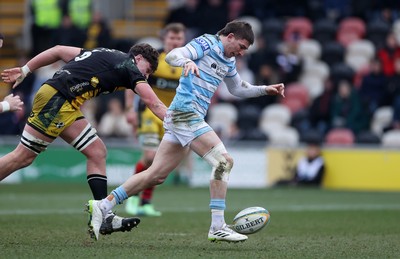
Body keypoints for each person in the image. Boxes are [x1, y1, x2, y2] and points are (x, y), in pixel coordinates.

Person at [86, 20, 285, 242]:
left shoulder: (228, 60)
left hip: (186, 117)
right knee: (223, 162)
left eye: (245, 49)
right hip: (184, 114)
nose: (242, 52)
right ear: (229, 37)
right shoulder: (207, 43)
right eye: (242, 45)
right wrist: (187, 61)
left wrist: (264, 90)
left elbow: (237, 88)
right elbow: (173, 56)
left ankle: (103, 206)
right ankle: (217, 226)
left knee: (156, 175)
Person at [0, 43, 167, 237]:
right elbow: (154, 103)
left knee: (97, 152)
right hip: (57, 102)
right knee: (22, 157)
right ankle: (105, 214)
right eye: (146, 71)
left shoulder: (106, 54)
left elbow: (58, 50)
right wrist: (180, 123)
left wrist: (25, 69)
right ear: (138, 59)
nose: (145, 77)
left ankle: (105, 215)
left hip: (64, 102)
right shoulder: (129, 66)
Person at [125, 23, 186, 217]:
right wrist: (129, 109)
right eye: (172, 38)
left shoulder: (187, 62)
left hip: (172, 117)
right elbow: (131, 81)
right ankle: (132, 196)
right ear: (164, 39)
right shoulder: (156, 59)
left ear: (183, 40)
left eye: (179, 38)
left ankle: (145, 203)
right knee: (150, 157)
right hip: (150, 113)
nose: (175, 42)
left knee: (159, 163)